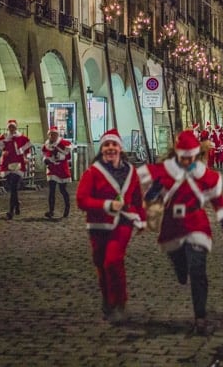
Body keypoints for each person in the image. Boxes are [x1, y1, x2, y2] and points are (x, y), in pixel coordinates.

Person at [137, 130, 223, 334]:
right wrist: (152, 193)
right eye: (184, 157)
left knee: (198, 269)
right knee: (179, 260)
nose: (188, 160)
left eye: (191, 156)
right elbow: (150, 188)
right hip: (172, 224)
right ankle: (180, 268)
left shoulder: (205, 175)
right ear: (177, 154)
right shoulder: (166, 172)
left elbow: (217, 198)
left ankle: (200, 317)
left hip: (196, 222)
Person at [76, 128, 146, 323]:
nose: (110, 148)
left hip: (123, 222)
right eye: (106, 145)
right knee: (100, 265)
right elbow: (82, 200)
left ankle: (120, 302)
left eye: (114, 144)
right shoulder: (93, 172)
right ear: (102, 148)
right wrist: (106, 205)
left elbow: (137, 199)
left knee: (113, 261)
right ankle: (108, 300)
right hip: (98, 224)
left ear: (120, 148)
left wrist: (141, 218)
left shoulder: (131, 171)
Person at [0, 119, 32, 220]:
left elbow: (28, 150)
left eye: (13, 127)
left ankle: (11, 211)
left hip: (19, 164)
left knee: (14, 185)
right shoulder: (4, 138)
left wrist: (27, 158)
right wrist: (0, 153)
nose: (11, 129)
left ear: (16, 127)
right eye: (10, 127)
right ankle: (16, 204)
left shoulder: (22, 138)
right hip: (7, 164)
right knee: (12, 187)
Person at [42, 126, 73, 218]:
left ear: (57, 134)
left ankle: (67, 208)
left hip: (61, 169)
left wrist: (59, 156)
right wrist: (46, 160)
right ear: (48, 135)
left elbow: (68, 156)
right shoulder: (46, 145)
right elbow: (44, 155)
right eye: (51, 134)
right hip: (51, 169)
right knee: (51, 190)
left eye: (54, 134)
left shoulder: (63, 143)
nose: (52, 136)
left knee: (63, 190)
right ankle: (51, 211)